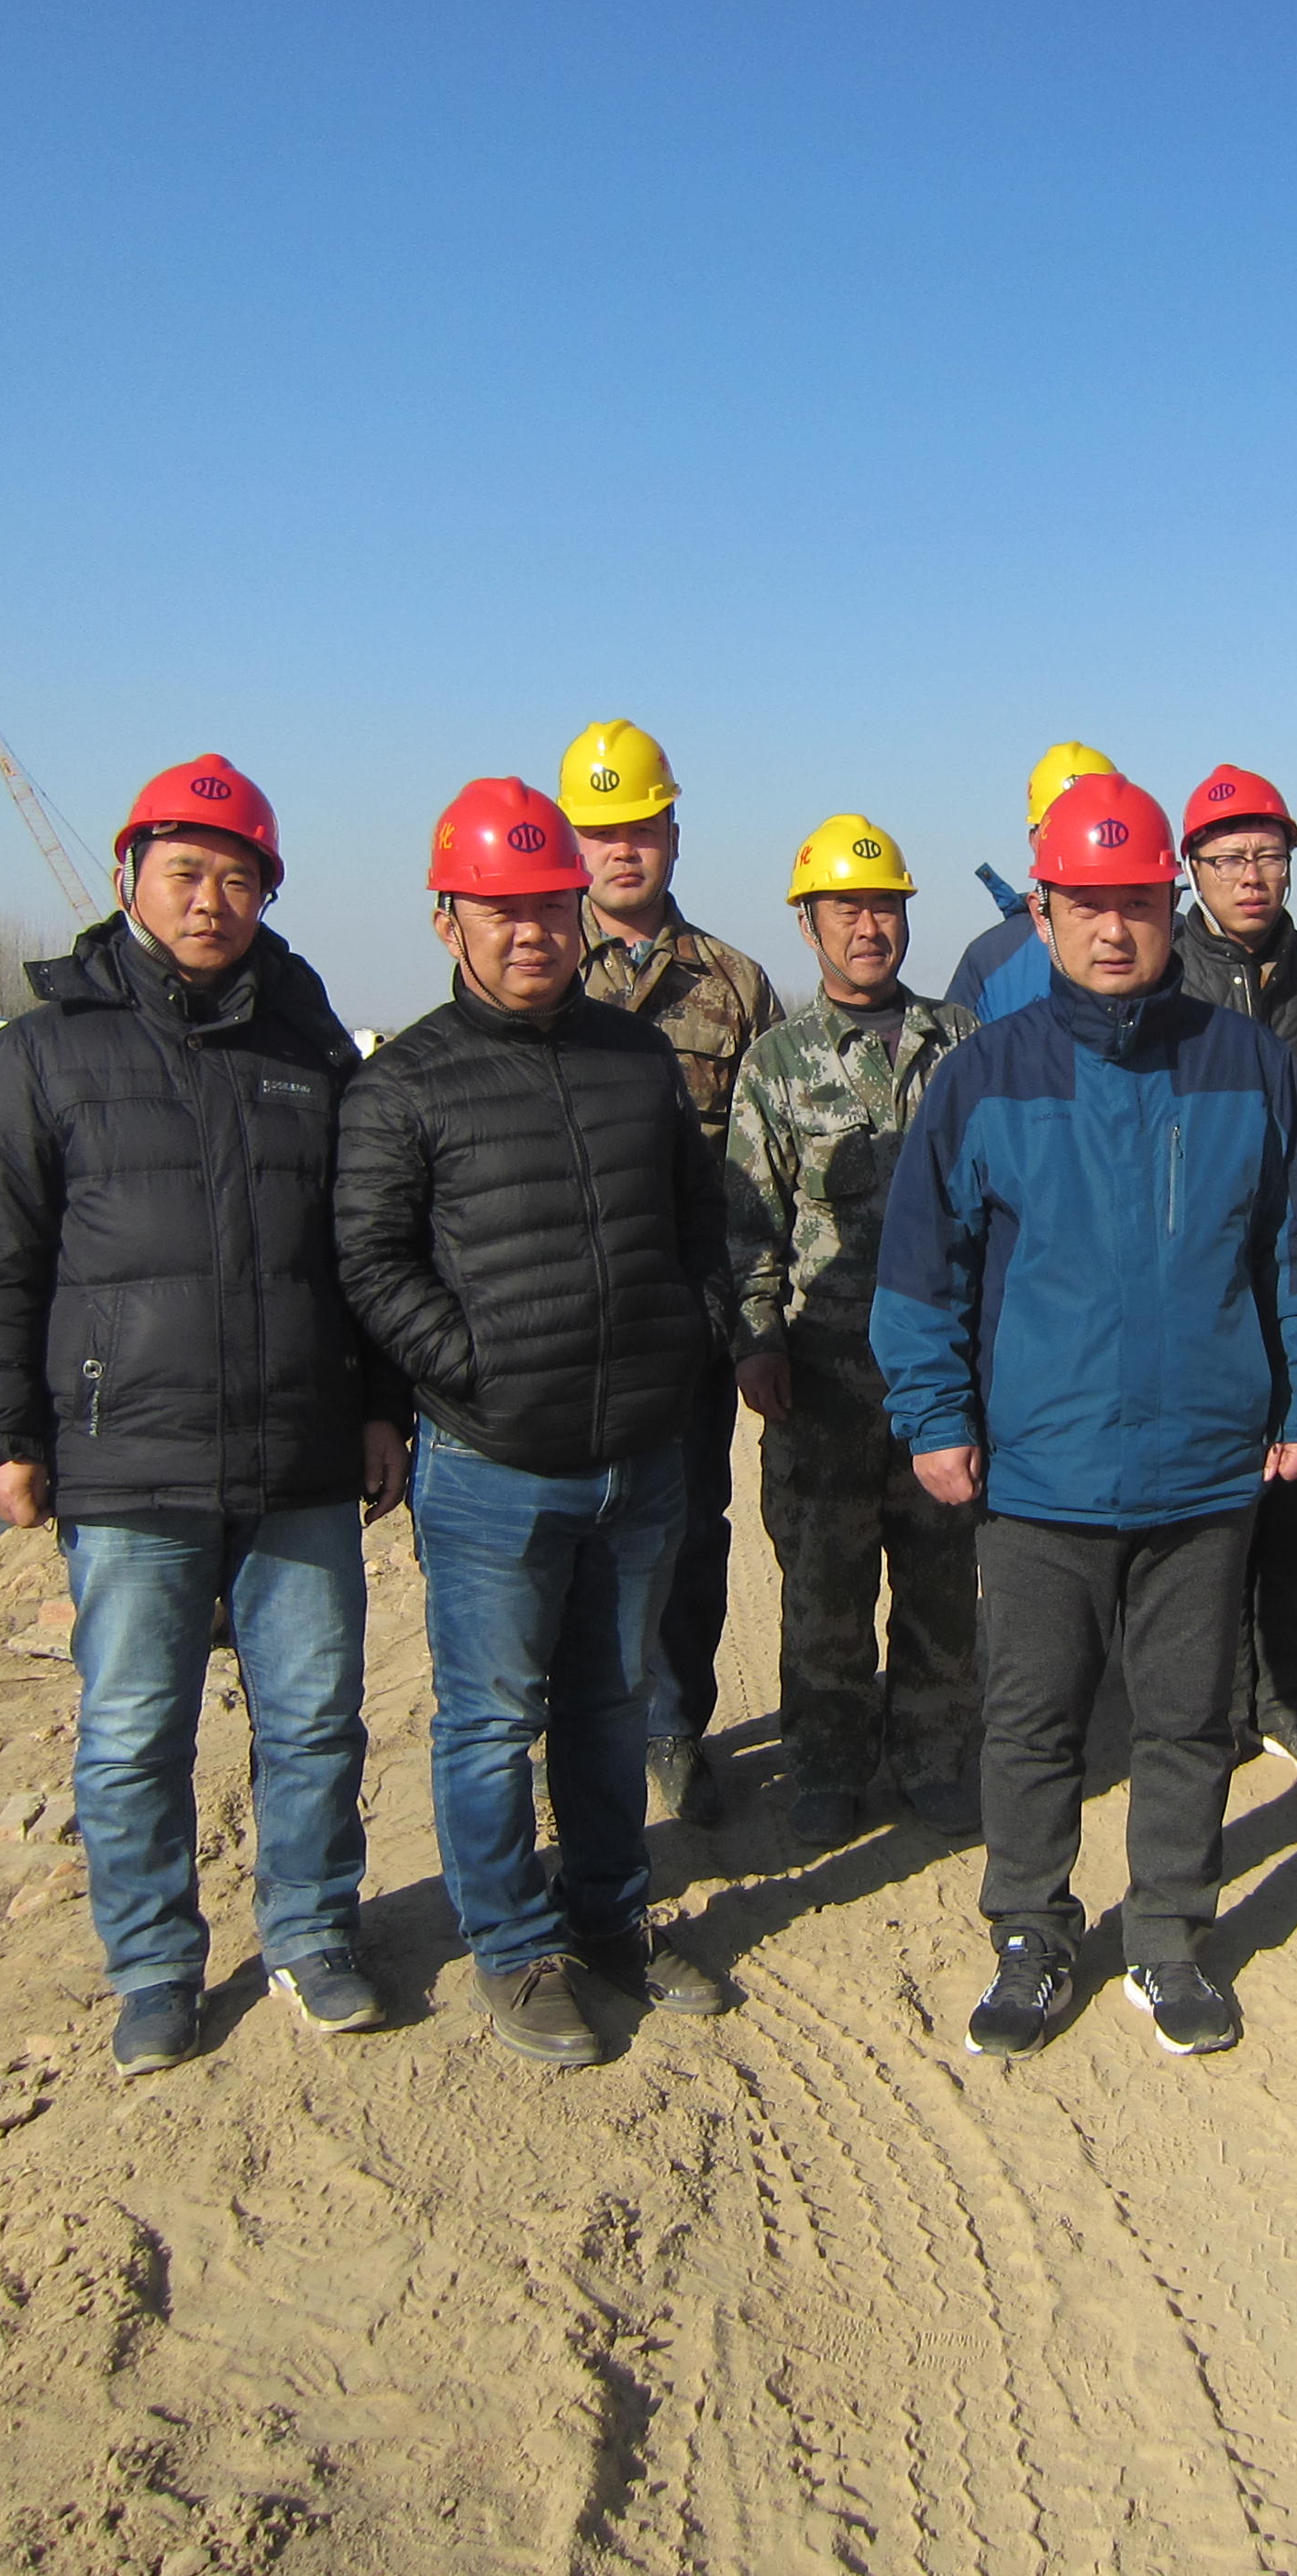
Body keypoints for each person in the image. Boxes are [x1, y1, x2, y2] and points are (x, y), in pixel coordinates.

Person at [0, 755, 408, 2077]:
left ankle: (314, 1932)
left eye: (238, 878)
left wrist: (381, 1406)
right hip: (127, 1460)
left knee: (314, 1720)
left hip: (300, 1453)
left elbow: (363, 1250)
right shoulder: (46, 1053)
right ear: (129, 876)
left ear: (267, 893)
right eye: (187, 872)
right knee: (134, 1733)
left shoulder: (308, 1049)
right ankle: (153, 1967)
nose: (211, 900)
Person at [875, 776, 1297, 2061]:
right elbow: (922, 1272)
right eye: (1084, 905)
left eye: (1135, 901)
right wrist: (934, 1417)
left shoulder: (1246, 1065)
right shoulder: (984, 1077)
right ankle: (1031, 1934)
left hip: (1206, 1469)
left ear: (1169, 903)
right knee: (1033, 1722)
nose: (1112, 928)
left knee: (1188, 1721)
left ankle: (1168, 1936)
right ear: (1041, 913)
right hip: (1042, 1474)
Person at [334, 777, 737, 2069]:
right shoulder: (404, 1084)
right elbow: (371, 1260)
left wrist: (684, 1340)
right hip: (494, 1465)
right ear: (446, 919)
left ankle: (612, 1914)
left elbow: (697, 1218)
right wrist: (477, 1372)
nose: (532, 933)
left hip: (637, 1458)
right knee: (492, 1720)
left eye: (551, 908)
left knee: (611, 1704)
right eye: (500, 911)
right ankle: (513, 1944)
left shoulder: (634, 1059)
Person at [726, 816, 983, 1852]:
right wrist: (755, 1339)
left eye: (884, 907)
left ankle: (934, 1755)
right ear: (809, 924)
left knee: (942, 1582)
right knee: (824, 1589)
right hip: (824, 1380)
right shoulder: (777, 1064)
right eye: (847, 909)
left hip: (945, 1376)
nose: (868, 927)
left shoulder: (961, 1044)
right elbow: (749, 1220)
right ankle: (828, 1764)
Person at [561, 718, 787, 1831]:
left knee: (692, 1528)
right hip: (565, 1319)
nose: (623, 849)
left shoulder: (735, 985)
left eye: (641, 827)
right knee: (574, 1534)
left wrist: (755, 1325)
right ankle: (582, 1730)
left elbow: (766, 1173)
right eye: (601, 830)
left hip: (690, 1316)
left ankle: (673, 1727)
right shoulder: (535, 964)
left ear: (672, 834)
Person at [1170, 762, 1297, 1776]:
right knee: (1210, 1501)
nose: (1250, 876)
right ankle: (1209, 1698)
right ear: (1190, 869)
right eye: (1227, 859)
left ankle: (1287, 1689)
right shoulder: (1161, 978)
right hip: (1204, 1288)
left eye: (1268, 855)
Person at [942, 740, 1121, 1023]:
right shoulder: (990, 958)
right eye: (1060, 830)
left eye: (1086, 826)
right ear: (1034, 840)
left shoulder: (1173, 940)